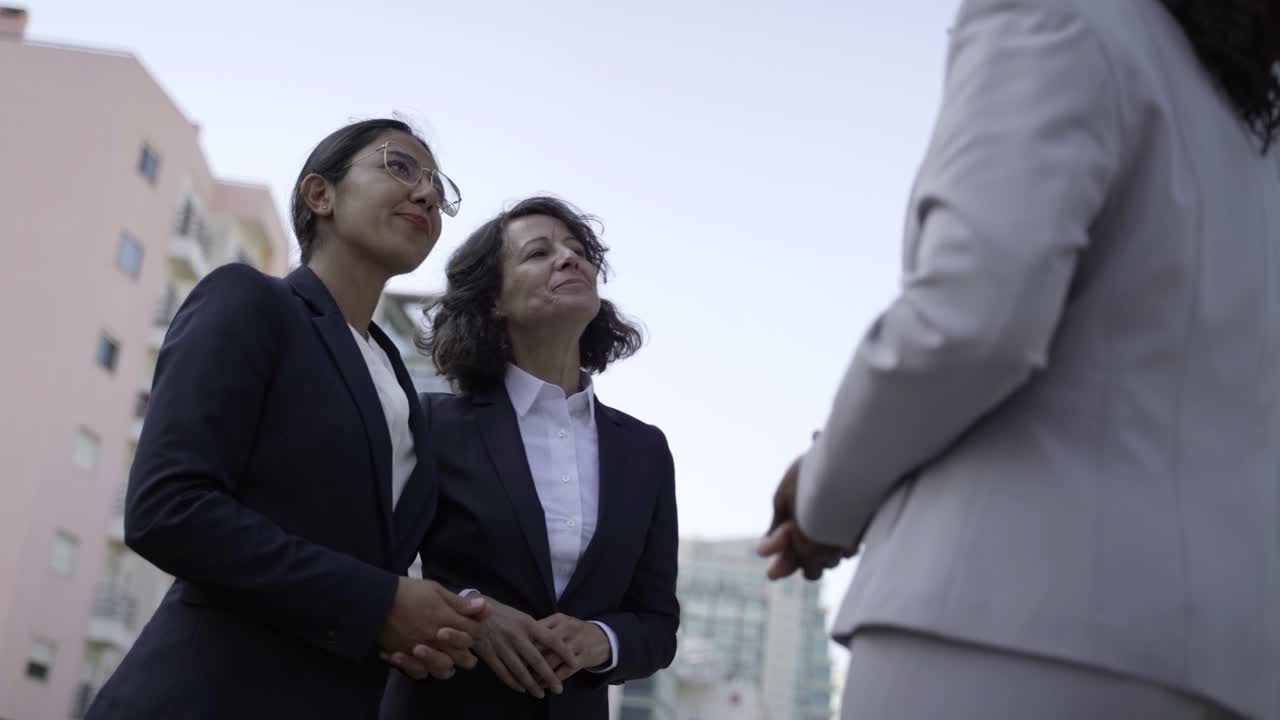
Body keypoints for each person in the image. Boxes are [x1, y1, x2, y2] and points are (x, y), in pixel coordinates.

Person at [759, 0, 1280, 718]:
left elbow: (971, 322)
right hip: (1222, 658)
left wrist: (822, 496)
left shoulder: (1056, 12)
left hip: (1002, 629)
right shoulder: (1250, 112)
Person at [87, 118, 486, 720]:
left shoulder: (401, 384)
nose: (428, 195)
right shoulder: (251, 301)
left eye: (438, 187)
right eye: (400, 167)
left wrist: (435, 626)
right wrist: (379, 604)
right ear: (320, 194)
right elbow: (168, 507)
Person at [380, 196, 679, 719]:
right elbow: (372, 565)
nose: (569, 259)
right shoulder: (431, 423)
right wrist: (472, 612)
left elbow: (656, 625)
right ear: (494, 301)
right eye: (538, 252)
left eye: (577, 250)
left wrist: (602, 639)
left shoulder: (645, 450)